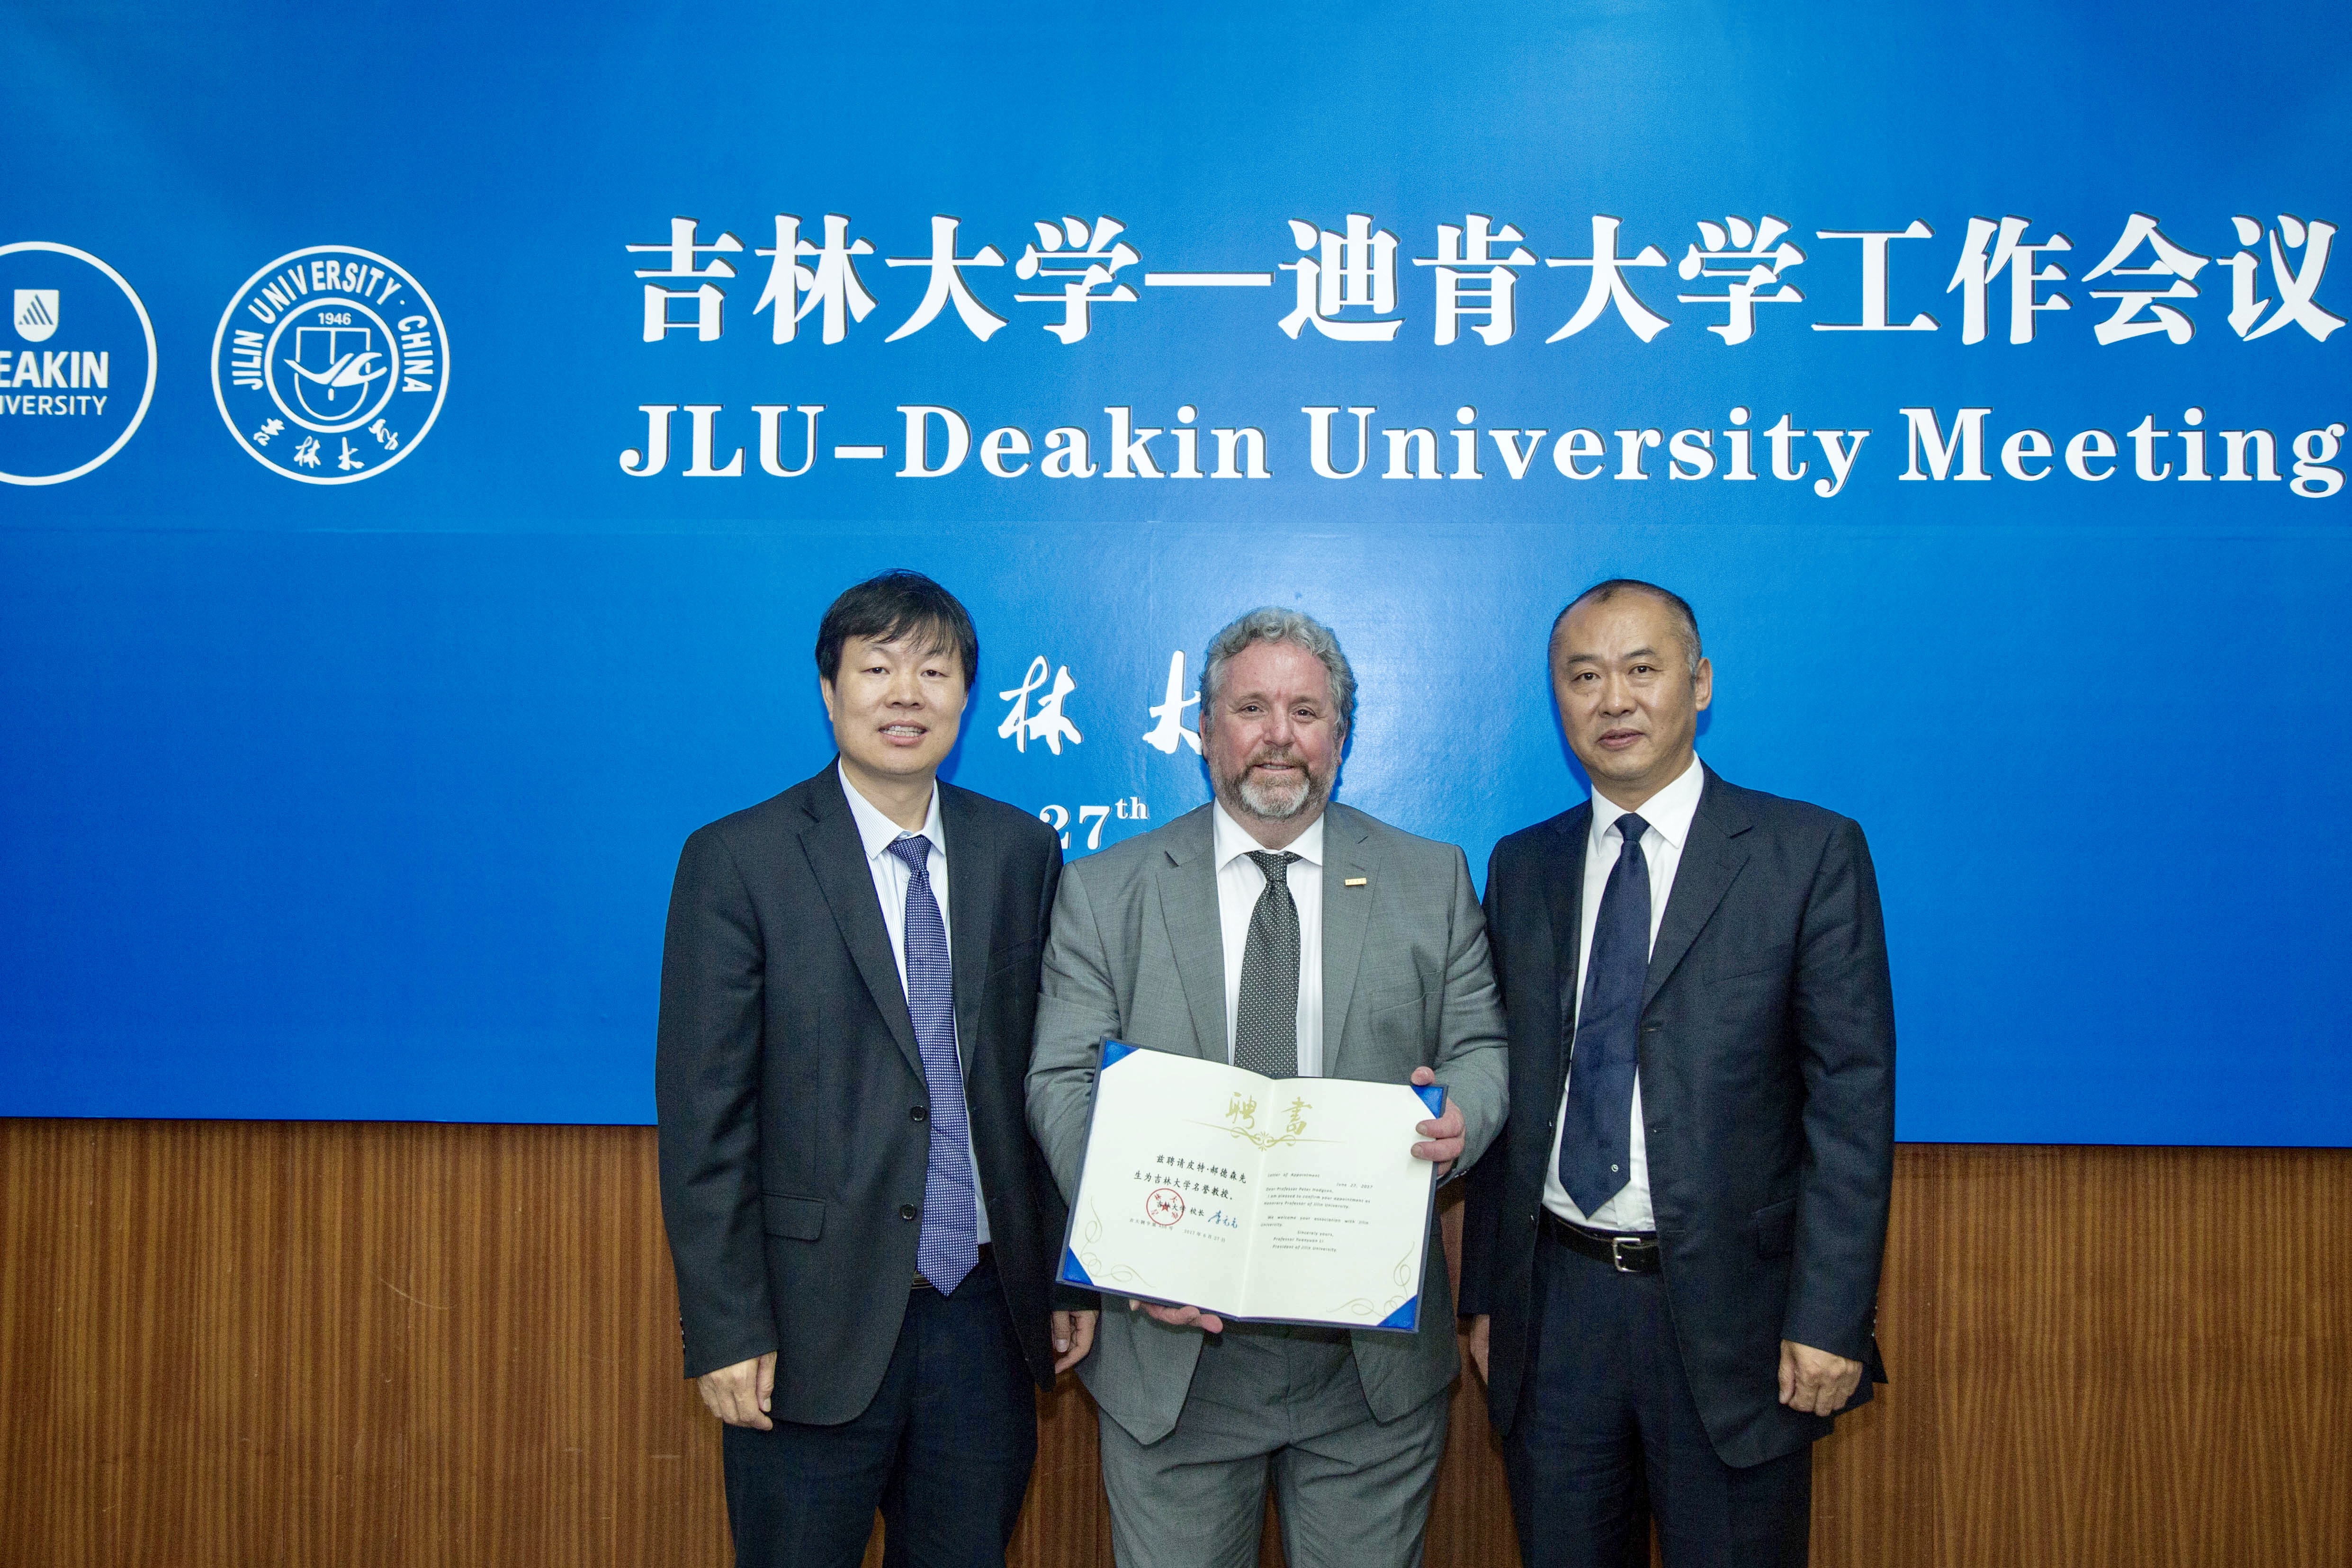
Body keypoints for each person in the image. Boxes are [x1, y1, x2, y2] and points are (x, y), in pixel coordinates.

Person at [1027, 606, 1508, 1568]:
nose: (1278, 736)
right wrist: (1142, 1249)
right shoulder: (1106, 889)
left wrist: (1467, 1115)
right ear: (1205, 731)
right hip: (1175, 1357)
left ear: (1341, 735)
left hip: (1366, 1362)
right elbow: (1061, 1080)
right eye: (1250, 709)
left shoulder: (1430, 879)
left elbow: (1480, 1047)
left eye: (1305, 711)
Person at [655, 570, 1095, 1568]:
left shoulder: (1021, 852)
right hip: (806, 1325)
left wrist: (1068, 1275)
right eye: (878, 668)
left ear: (966, 696)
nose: (906, 694)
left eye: (933, 671)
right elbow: (704, 1119)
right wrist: (725, 1328)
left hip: (984, 1314)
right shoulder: (741, 859)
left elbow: (1042, 1082)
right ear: (829, 690)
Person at [1461, 578, 1895, 1568]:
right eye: (1583, 677)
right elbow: (1510, 1091)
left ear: (1697, 685)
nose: (1612, 700)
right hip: (1556, 1309)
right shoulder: (1522, 865)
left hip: (1736, 1321)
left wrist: (1829, 1318)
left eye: (1640, 670)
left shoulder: (1805, 853)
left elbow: (1850, 1106)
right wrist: (1487, 1298)